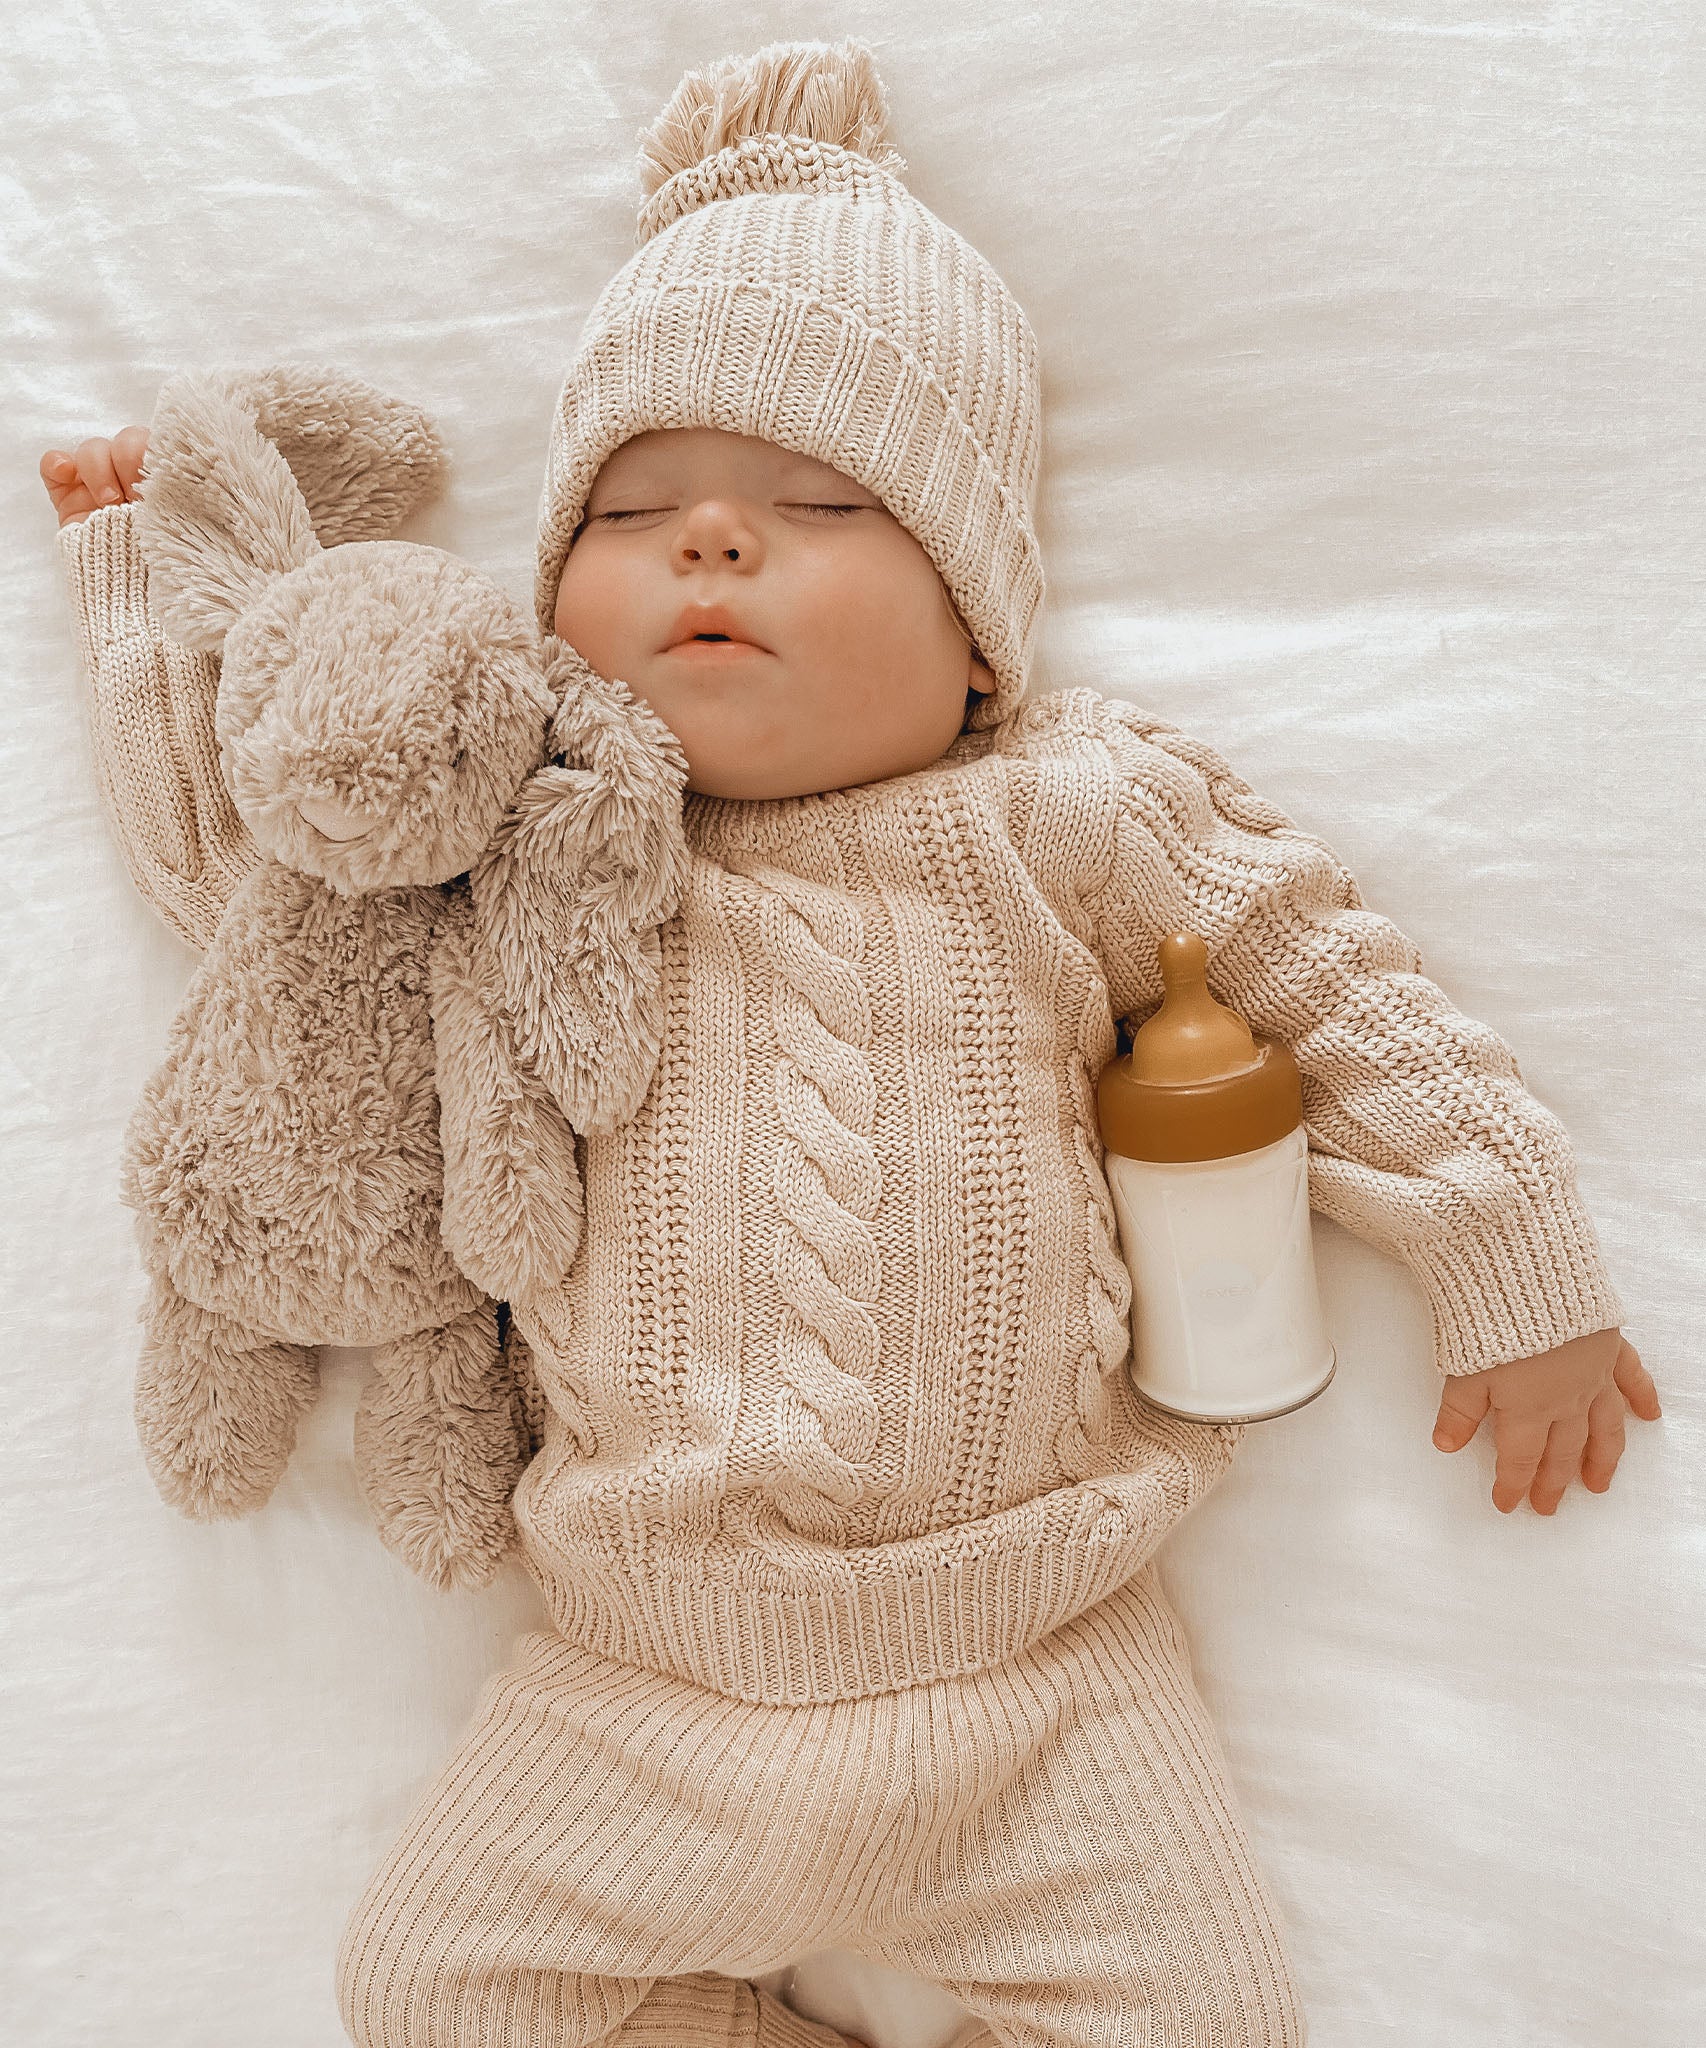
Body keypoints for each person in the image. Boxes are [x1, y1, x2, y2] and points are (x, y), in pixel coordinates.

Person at [43, 36, 1660, 2048]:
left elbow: (1328, 978)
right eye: (637, 509)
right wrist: (130, 588)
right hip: (639, 1677)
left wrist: (1503, 1252)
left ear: (980, 626)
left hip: (1042, 1676)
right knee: (430, 1991)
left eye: (817, 500)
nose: (713, 543)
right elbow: (260, 879)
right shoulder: (529, 835)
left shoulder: (1061, 812)